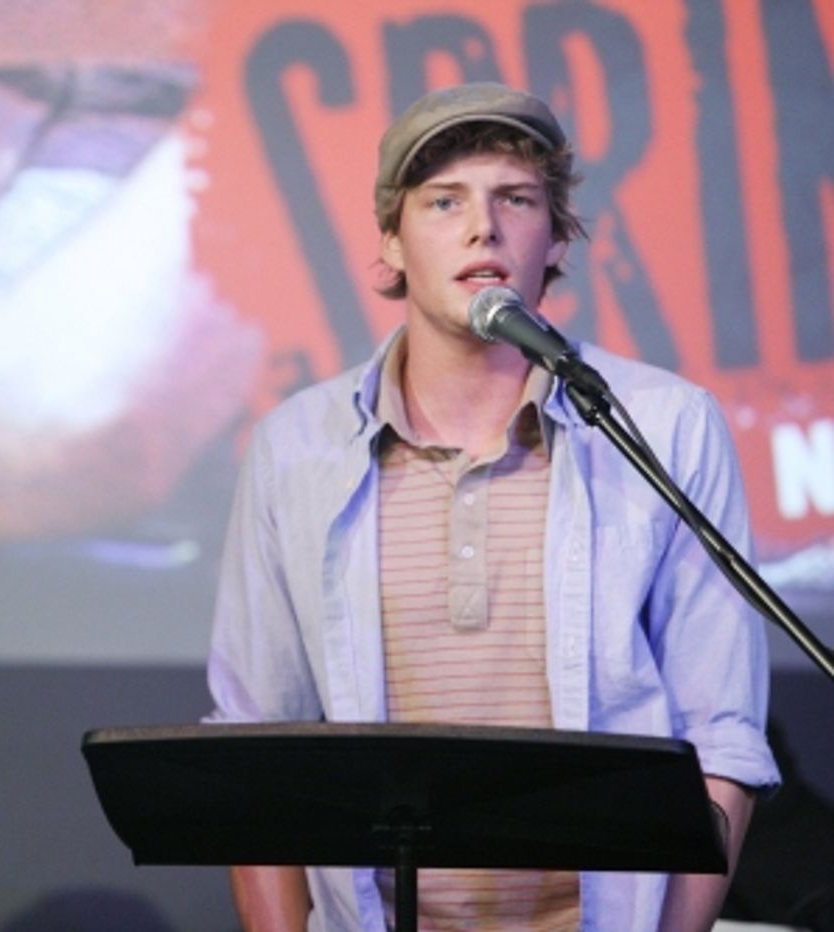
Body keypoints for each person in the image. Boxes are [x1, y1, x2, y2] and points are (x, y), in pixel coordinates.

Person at [205, 83, 779, 931]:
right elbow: (256, 744)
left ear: (555, 238)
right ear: (393, 244)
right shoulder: (298, 445)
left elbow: (721, 734)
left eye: (515, 199)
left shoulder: (661, 423)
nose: (485, 227)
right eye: (445, 201)